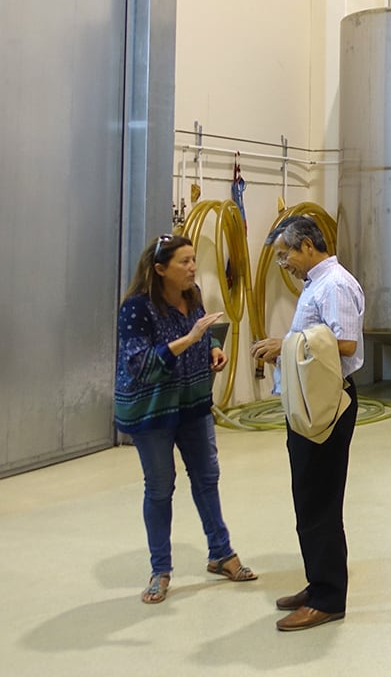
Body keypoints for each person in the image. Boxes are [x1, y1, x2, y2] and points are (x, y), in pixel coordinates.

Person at [115, 233, 258, 604]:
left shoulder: (192, 295)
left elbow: (201, 332)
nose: (193, 267)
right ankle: (160, 570)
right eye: (184, 261)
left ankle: (221, 553)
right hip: (153, 411)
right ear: (160, 269)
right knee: (160, 488)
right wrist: (192, 339)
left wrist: (212, 347)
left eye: (194, 259)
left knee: (207, 477)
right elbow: (139, 364)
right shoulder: (137, 308)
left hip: (192, 404)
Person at [250, 215, 364, 632]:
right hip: (310, 404)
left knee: (320, 502)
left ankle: (329, 598)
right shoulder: (317, 283)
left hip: (327, 405)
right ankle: (318, 582)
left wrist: (285, 345)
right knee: (308, 499)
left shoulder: (334, 285)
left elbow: (345, 343)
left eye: (286, 255)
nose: (285, 264)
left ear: (308, 247)